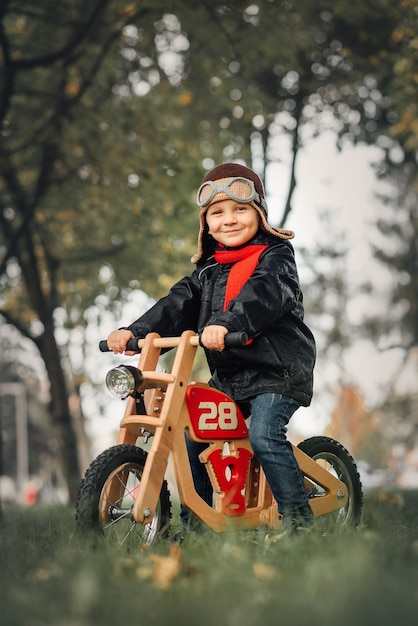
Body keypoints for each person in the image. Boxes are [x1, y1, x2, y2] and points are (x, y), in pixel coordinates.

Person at [107, 162, 316, 534]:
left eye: (240, 210)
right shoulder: (207, 271)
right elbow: (177, 304)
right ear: (206, 223)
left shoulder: (276, 257)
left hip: (277, 371)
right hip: (232, 376)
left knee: (264, 433)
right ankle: (195, 527)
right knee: (193, 432)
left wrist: (226, 323)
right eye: (217, 213)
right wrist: (133, 330)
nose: (229, 220)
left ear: (260, 213)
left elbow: (263, 295)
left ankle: (299, 523)